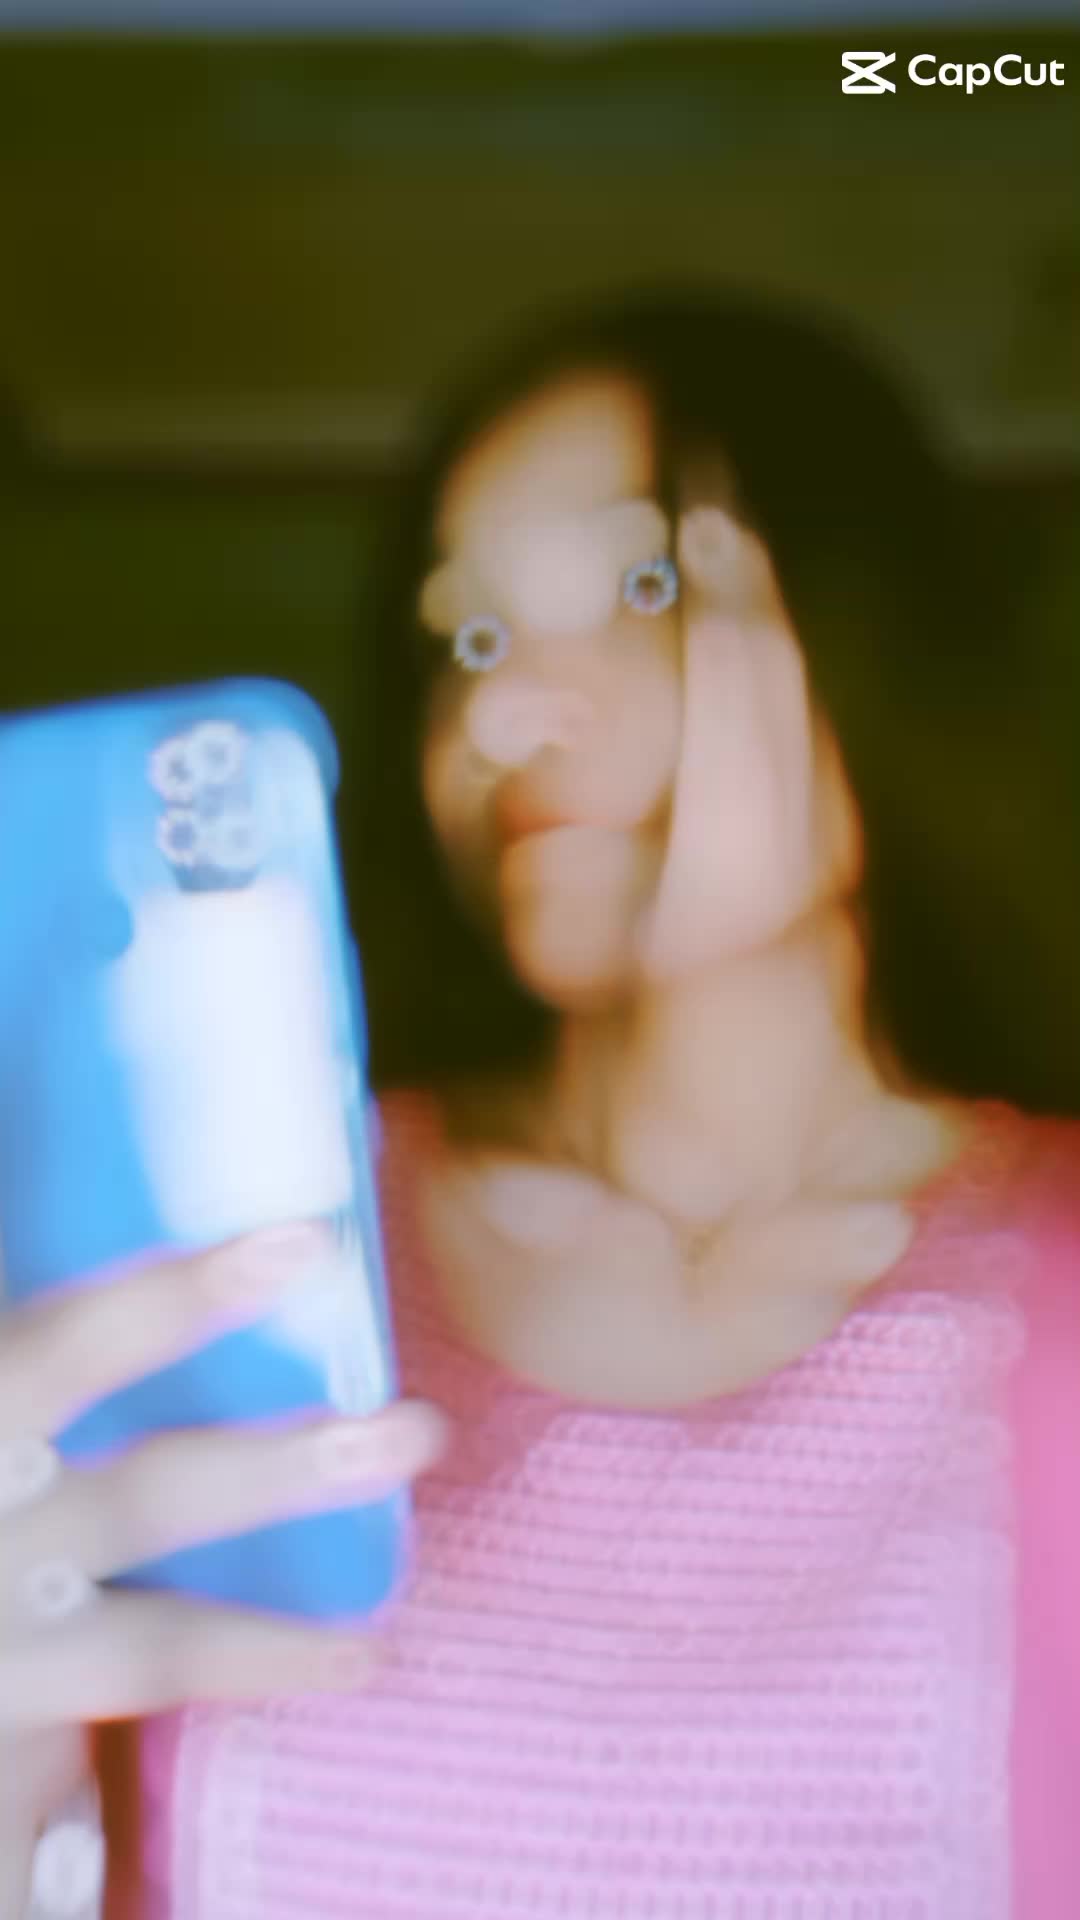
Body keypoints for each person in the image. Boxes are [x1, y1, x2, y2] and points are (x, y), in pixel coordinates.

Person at [2, 285, 1079, 1920]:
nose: (498, 712)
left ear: (879, 621)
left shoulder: (1051, 1273)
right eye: (468, 638)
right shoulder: (243, 1243)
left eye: (647, 585)